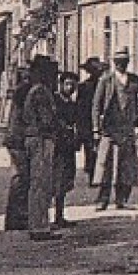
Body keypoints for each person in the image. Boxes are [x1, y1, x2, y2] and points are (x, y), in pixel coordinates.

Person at [91, 47, 138, 210]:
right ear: (114, 63)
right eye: (118, 62)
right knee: (105, 165)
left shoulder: (134, 80)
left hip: (127, 128)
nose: (121, 64)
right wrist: (96, 128)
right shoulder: (106, 80)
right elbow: (96, 105)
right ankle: (103, 200)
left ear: (128, 62)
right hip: (109, 128)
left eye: (124, 61)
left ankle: (122, 199)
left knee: (127, 166)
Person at [15, 54, 61, 241]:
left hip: (34, 137)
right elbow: (47, 119)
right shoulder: (41, 92)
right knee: (41, 183)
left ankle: (39, 224)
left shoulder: (34, 90)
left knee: (38, 183)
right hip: (41, 138)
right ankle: (39, 226)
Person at [2, 68, 34, 232]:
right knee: (21, 178)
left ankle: (16, 216)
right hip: (18, 140)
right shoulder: (24, 92)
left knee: (20, 177)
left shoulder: (20, 91)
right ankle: (17, 217)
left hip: (14, 139)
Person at [52, 70, 81, 227]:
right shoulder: (56, 101)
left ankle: (59, 215)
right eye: (67, 84)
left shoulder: (72, 103)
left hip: (68, 146)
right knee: (56, 180)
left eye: (73, 85)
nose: (70, 87)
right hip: (58, 146)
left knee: (65, 181)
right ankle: (52, 217)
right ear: (61, 84)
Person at [76, 57, 104, 183]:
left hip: (88, 122)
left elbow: (79, 107)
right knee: (93, 148)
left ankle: (93, 174)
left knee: (91, 149)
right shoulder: (99, 85)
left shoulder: (83, 86)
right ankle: (95, 174)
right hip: (92, 121)